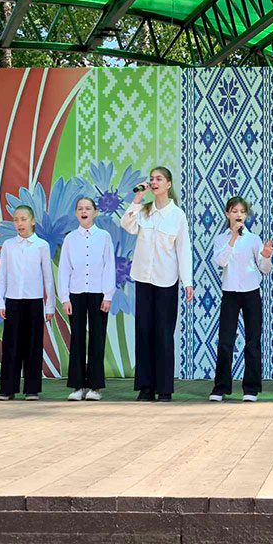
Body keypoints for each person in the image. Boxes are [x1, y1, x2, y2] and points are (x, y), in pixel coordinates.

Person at [121, 166, 192, 402]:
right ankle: (145, 387)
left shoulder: (177, 215)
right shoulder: (144, 211)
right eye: (151, 179)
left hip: (166, 281)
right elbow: (126, 225)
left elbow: (183, 250)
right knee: (143, 331)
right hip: (143, 278)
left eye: (159, 179)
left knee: (163, 333)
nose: (154, 182)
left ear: (168, 184)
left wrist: (187, 281)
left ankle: (164, 388)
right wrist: (137, 199)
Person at [209, 196, 273, 402]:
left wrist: (266, 256)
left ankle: (251, 389)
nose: (239, 215)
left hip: (251, 292)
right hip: (229, 293)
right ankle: (220, 387)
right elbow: (221, 262)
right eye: (235, 211)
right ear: (227, 214)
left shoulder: (253, 239)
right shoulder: (221, 239)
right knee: (225, 342)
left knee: (253, 342)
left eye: (242, 212)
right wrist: (233, 239)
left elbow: (264, 269)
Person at [58, 197, 116, 401]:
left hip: (99, 293)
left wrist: (108, 295)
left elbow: (109, 266)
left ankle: (95, 386)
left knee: (97, 338)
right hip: (76, 294)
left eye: (88, 208)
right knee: (77, 339)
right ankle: (77, 386)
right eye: (80, 209)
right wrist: (64, 298)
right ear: (76, 213)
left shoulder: (104, 237)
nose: (84, 212)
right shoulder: (70, 239)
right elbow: (64, 269)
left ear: (95, 212)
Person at [0, 205, 55, 401]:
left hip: (34, 301)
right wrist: (0, 302)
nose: (19, 223)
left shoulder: (41, 246)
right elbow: (2, 275)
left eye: (23, 219)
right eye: (16, 220)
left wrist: (50, 305)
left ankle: (32, 389)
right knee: (11, 346)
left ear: (32, 221)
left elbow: (48, 278)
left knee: (33, 345)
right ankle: (7, 389)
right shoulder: (8, 245)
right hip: (13, 301)